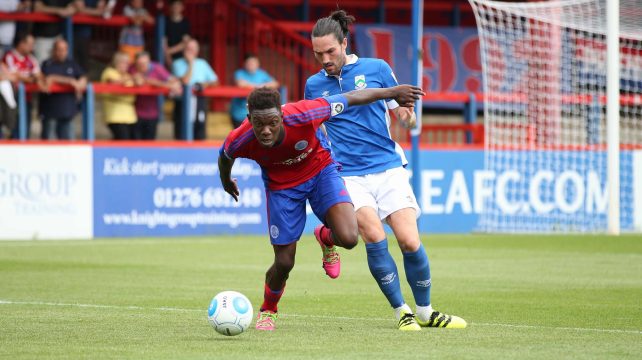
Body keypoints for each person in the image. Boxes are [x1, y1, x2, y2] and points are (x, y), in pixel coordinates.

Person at [305, 10, 467, 331]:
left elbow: (402, 113)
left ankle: (426, 312)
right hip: (348, 174)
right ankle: (401, 311)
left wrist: (409, 117)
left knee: (409, 241)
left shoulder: (377, 69)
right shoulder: (314, 85)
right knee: (375, 237)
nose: (324, 59)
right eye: (318, 54)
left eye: (330, 52)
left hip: (388, 167)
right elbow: (315, 127)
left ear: (344, 43)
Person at [218, 84, 424, 331]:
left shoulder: (306, 113)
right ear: (249, 118)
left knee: (349, 238)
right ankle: (268, 310)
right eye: (258, 123)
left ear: (282, 116)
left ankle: (325, 237)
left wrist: (393, 92)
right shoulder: (240, 138)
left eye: (272, 122)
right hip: (282, 189)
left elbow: (352, 97)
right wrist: (226, 181)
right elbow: (225, 157)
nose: (266, 130)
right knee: (284, 262)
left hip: (321, 173)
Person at [37, 38, 86, 139]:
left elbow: (83, 77)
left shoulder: (72, 64)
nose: (61, 52)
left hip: (67, 111)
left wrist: (80, 83)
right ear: (54, 50)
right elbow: (46, 78)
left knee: (68, 146)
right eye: (59, 49)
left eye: (64, 49)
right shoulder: (47, 64)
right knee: (48, 145)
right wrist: (70, 81)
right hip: (50, 111)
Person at [172, 38, 218, 140]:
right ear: (184, 50)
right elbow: (185, 81)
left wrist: (204, 84)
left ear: (197, 51)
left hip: (199, 100)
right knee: (181, 131)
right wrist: (191, 63)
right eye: (188, 48)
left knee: (200, 129)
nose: (190, 51)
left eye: (193, 49)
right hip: (183, 101)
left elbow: (215, 81)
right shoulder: (177, 63)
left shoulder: (202, 63)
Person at [130, 51, 181, 139]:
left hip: (152, 113)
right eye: (140, 64)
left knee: (149, 143)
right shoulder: (132, 68)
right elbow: (140, 80)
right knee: (135, 143)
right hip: (134, 114)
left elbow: (174, 82)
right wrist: (164, 84)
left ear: (149, 61)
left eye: (145, 64)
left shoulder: (157, 68)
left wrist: (171, 85)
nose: (142, 67)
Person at [2, 32, 40, 139]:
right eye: (30, 44)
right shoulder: (9, 56)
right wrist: (31, 79)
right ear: (21, 43)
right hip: (9, 100)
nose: (32, 47)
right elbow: (14, 75)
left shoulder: (31, 59)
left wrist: (33, 79)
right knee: (10, 126)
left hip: (26, 99)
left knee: (24, 127)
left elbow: (39, 75)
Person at [229, 53, 279, 128]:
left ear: (258, 63)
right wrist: (260, 87)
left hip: (258, 113)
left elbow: (275, 83)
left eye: (254, 62)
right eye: (249, 63)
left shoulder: (262, 74)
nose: (251, 64)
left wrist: (257, 86)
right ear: (244, 64)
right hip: (239, 113)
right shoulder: (239, 73)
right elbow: (241, 84)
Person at [100, 51, 137, 140]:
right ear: (116, 62)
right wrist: (132, 78)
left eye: (127, 63)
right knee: (122, 140)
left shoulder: (128, 75)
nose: (125, 65)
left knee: (130, 142)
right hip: (115, 115)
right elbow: (113, 83)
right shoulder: (109, 72)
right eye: (123, 62)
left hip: (130, 116)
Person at [72, 0, 107, 73]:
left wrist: (97, 11)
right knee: (72, 63)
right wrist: (96, 12)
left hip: (86, 35)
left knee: (84, 64)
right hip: (71, 33)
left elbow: (103, 11)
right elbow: (79, 9)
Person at [163, 0, 190, 66]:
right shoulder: (165, 21)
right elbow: (163, 40)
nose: (176, 8)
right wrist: (167, 56)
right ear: (170, 7)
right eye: (174, 6)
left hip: (182, 56)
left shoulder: (185, 23)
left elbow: (185, 43)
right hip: (165, 56)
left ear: (182, 7)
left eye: (178, 5)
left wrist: (169, 51)